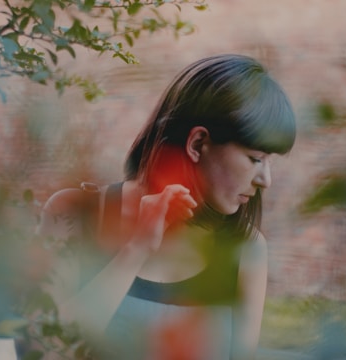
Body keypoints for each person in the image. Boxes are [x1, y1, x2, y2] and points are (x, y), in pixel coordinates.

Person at [35, 54, 296, 359]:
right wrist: (136, 248)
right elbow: (42, 350)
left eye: (269, 162)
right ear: (198, 143)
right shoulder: (73, 213)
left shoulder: (246, 249)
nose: (266, 180)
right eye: (256, 159)